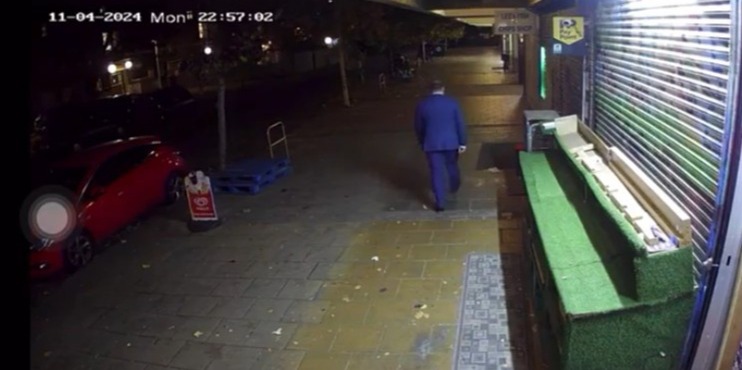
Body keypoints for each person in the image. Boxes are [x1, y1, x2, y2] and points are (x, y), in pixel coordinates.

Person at [414, 80, 468, 212]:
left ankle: (440, 203)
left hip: (431, 143)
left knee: (436, 171)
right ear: (443, 89)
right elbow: (460, 124)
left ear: (429, 90)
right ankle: (454, 185)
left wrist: (422, 141)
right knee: (452, 165)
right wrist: (462, 142)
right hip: (451, 142)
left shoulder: (422, 105)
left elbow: (418, 127)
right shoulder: (452, 103)